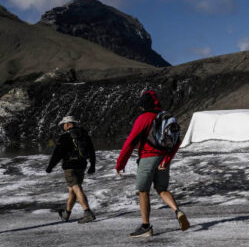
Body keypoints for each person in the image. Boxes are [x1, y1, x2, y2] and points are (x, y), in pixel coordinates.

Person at [115, 90, 189, 238]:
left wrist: (120, 163)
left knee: (143, 191)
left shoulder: (144, 118)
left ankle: (146, 226)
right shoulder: (166, 117)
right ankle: (177, 211)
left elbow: (130, 142)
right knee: (162, 190)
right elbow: (177, 142)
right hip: (163, 158)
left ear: (143, 104)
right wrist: (167, 159)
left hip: (148, 158)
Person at [46, 116, 97, 224]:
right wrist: (92, 165)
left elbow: (57, 153)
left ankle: (87, 212)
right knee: (72, 190)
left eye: (64, 124)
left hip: (69, 166)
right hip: (82, 165)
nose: (63, 127)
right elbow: (92, 151)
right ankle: (66, 213)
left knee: (76, 187)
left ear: (68, 124)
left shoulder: (65, 136)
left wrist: (50, 166)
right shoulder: (84, 134)